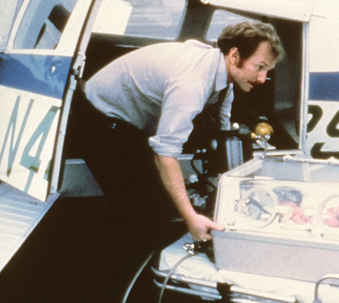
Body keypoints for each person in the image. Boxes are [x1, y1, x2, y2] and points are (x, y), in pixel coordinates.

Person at [77, 21, 284, 246]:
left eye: (267, 71)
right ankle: (128, 267)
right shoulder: (193, 82)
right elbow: (165, 154)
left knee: (159, 204)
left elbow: (223, 134)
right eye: (259, 67)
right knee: (148, 215)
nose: (263, 79)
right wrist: (191, 218)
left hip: (129, 120)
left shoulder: (223, 79)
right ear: (234, 56)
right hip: (98, 119)